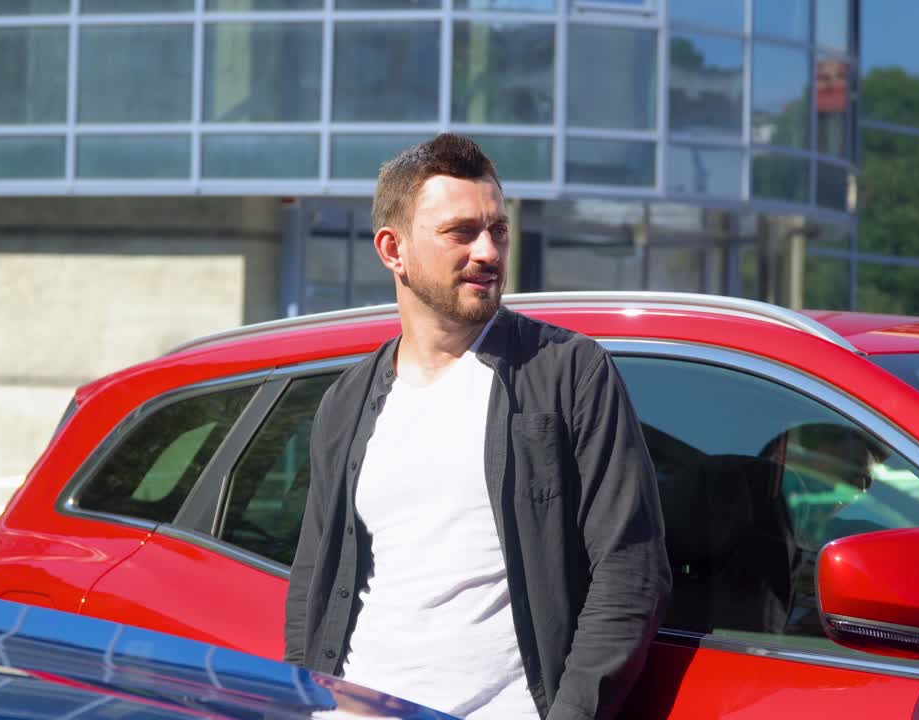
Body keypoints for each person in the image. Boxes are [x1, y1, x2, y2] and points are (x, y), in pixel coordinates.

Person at [283, 134, 671, 720]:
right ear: (394, 250)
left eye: (499, 230)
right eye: (461, 232)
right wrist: (306, 701)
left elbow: (630, 569)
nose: (489, 252)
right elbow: (312, 575)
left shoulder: (566, 371)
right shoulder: (346, 401)